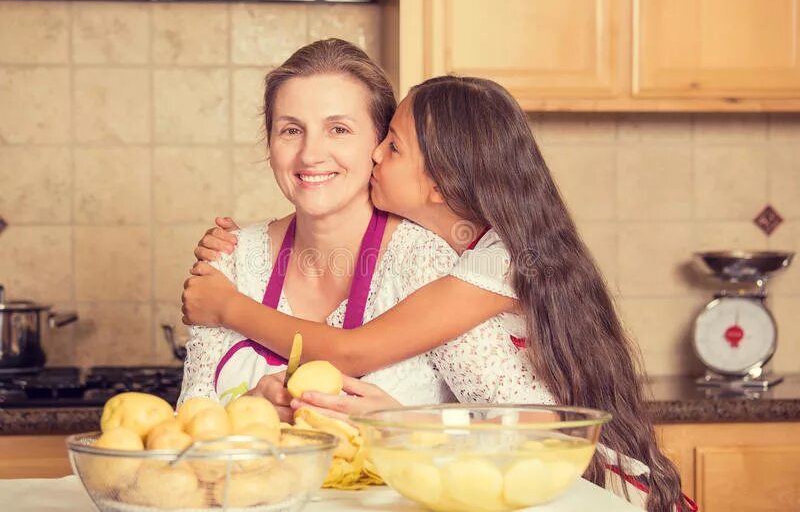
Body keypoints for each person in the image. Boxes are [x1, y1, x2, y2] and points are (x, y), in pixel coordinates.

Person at [184, 76, 693, 512]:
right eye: (291, 129)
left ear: (439, 182)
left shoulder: (493, 264)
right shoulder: (468, 251)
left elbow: (354, 349)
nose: (376, 154)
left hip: (582, 482)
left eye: (392, 145)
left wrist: (228, 307)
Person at [178, 40, 548, 424]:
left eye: (338, 129)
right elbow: (187, 431)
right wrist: (250, 407)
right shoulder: (228, 263)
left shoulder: (432, 264)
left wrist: (400, 423)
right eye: (290, 130)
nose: (309, 154)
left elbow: (535, 427)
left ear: (377, 141)